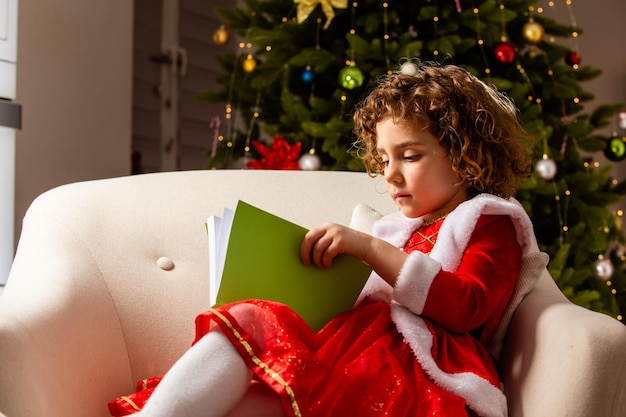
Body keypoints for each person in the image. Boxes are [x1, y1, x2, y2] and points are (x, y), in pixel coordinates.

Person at [108, 62, 547, 417]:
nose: (390, 175)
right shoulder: (403, 228)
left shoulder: (490, 220)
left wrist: (371, 249)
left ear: (465, 155)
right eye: (384, 158)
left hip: (419, 374)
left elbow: (468, 306)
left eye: (410, 156)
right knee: (249, 334)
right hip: (348, 354)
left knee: (263, 355)